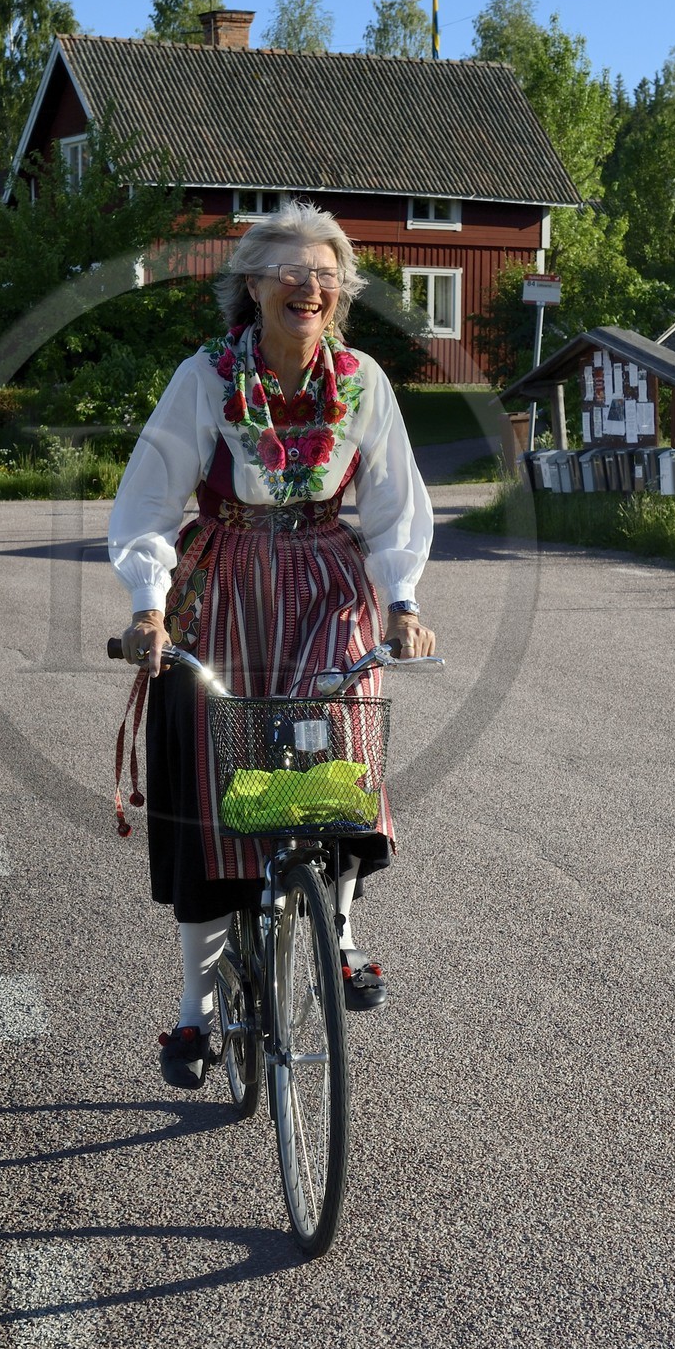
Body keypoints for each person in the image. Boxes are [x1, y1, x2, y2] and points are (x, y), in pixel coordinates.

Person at [109, 201, 435, 1089]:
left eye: (326, 273)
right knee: (213, 801)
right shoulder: (206, 380)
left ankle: (343, 937)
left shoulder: (363, 379)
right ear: (251, 285)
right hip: (224, 585)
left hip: (329, 583)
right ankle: (195, 1011)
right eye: (291, 270)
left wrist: (401, 599)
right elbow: (146, 501)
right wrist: (148, 604)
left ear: (343, 293)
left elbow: (398, 505)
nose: (311, 284)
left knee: (345, 745)